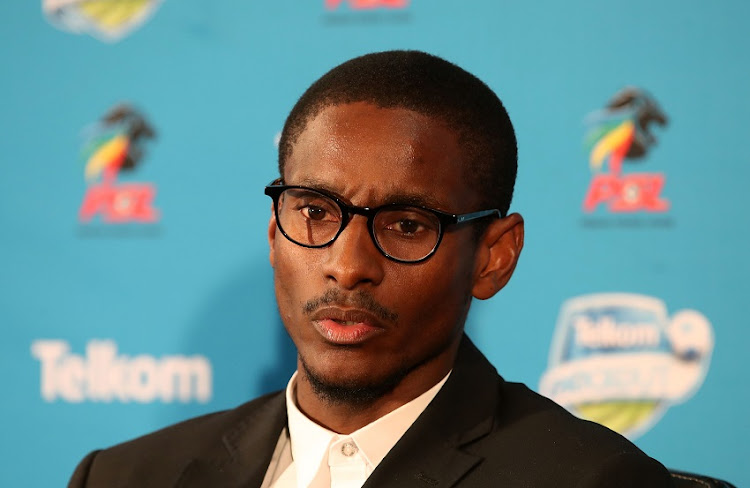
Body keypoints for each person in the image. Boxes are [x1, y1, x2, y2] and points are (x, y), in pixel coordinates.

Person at [68, 50, 674, 487]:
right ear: (275, 231)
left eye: (406, 225)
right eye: (314, 211)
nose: (346, 264)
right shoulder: (122, 476)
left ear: (493, 257)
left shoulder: (591, 480)